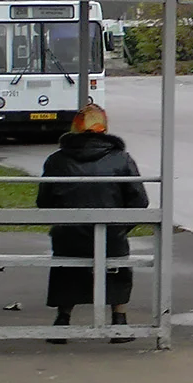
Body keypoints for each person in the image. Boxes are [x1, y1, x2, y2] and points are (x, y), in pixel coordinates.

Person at [38, 103, 149, 344]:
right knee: (117, 266)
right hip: (111, 236)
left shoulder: (56, 161)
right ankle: (119, 321)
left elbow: (43, 201)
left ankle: (62, 321)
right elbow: (139, 200)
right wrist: (120, 228)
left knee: (66, 269)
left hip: (69, 236)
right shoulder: (122, 159)